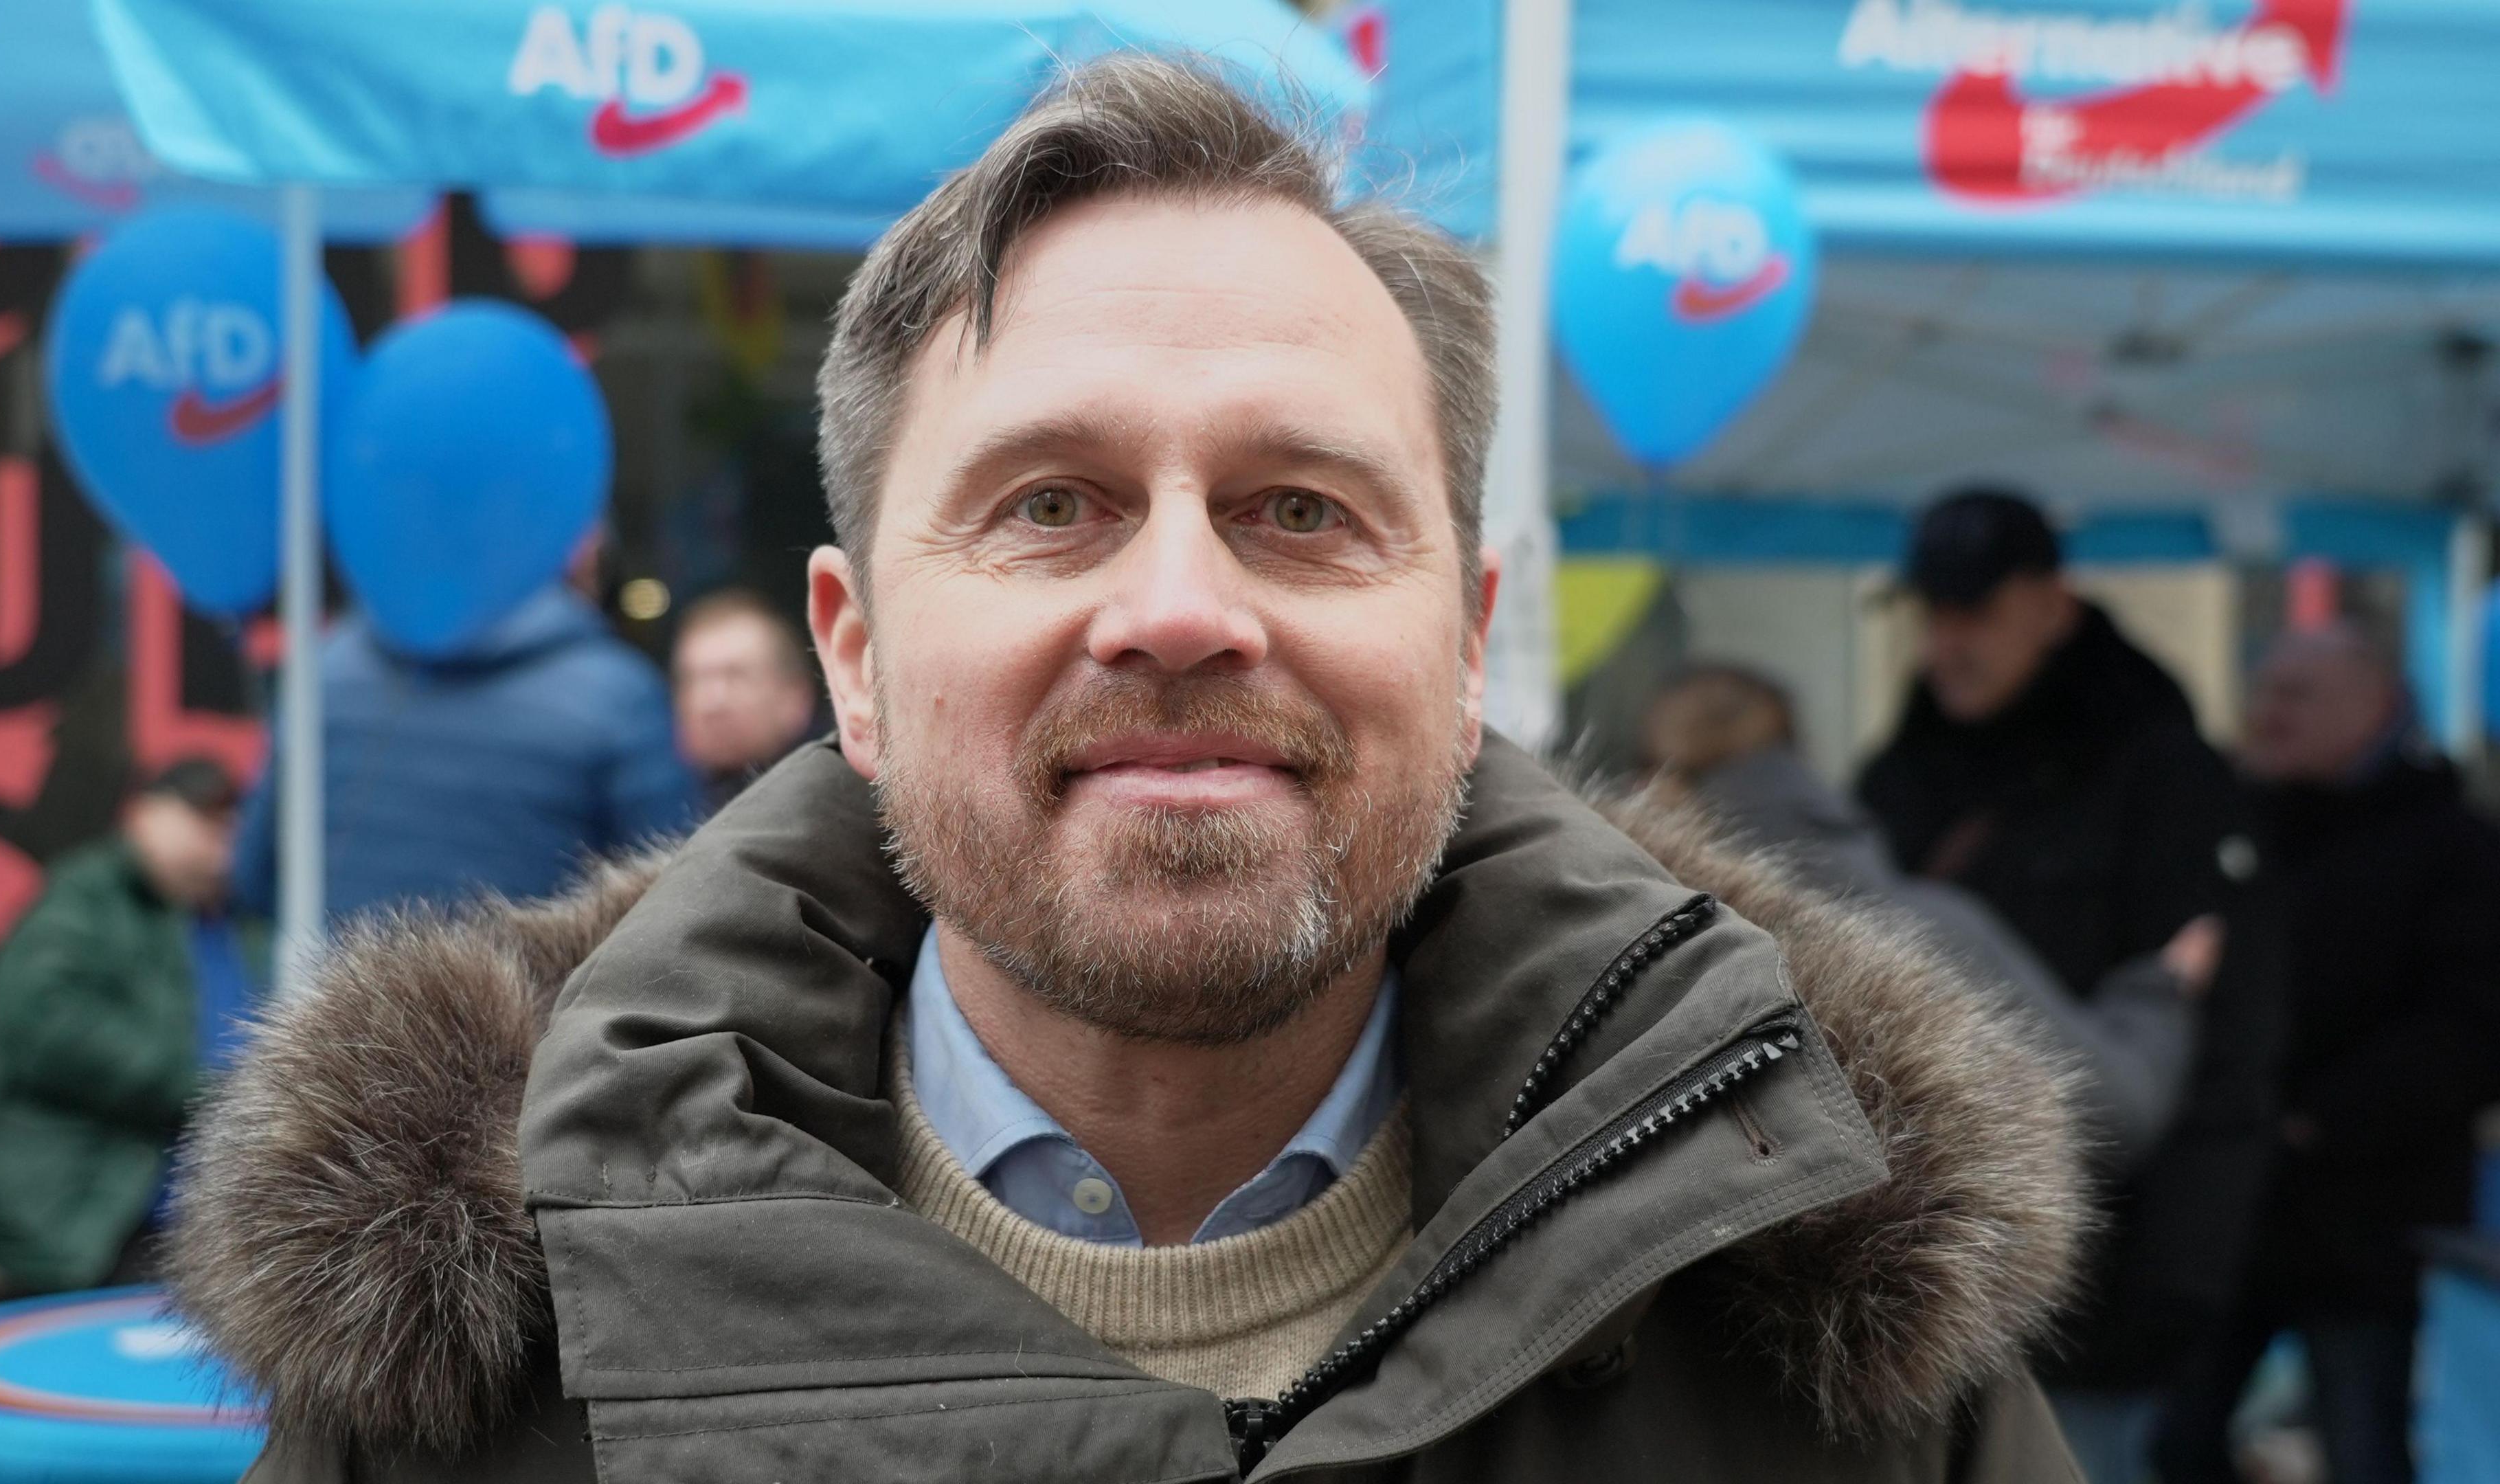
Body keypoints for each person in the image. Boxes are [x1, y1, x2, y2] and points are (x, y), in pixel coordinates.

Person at [172, 58, 2087, 1482]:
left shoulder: (1827, 1314)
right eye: (1051, 503)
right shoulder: (474, 1360)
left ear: (1473, 633)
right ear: (855, 654)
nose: (1179, 608)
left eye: (1303, 508)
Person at [1856, 488, 2288, 1484]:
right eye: (1935, 613)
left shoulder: (2164, 777)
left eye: (1978, 612)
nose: (1949, 643)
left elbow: (2228, 1051)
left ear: (2054, 606)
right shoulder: (1902, 774)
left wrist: (2169, 1294)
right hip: (1928, 1293)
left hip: (2101, 1296)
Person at [2154, 623, 2500, 1484]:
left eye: (2297, 695)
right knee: (2176, 1441)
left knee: (2364, 1447)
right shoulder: (2229, 832)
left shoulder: (2453, 846)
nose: (2268, 714)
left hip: (2369, 1221)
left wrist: (2322, 1120)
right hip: (2233, 1212)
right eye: (2264, 692)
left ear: (2376, 706)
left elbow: (2473, 1028)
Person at [1642, 664, 2218, 1171]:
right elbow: (2109, 1109)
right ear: (1797, 757)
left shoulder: (1637, 931)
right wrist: (2159, 989)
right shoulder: (1922, 930)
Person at [0, 758, 260, 1293]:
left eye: (231, 823)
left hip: (210, 1216)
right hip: (90, 1207)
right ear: (144, 814)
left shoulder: (241, 922)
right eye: (202, 818)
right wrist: (201, 1090)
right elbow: (38, 1015)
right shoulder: (89, 896)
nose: (220, 839)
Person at [234, 576, 701, 923]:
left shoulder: (326, 669)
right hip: (545, 1037)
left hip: (339, 1030)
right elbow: (677, 908)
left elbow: (254, 876)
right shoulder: (619, 693)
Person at [670, 587, 822, 809]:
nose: (712, 703)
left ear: (796, 697)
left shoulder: (830, 805)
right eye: (695, 680)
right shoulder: (667, 804)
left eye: (736, 676)